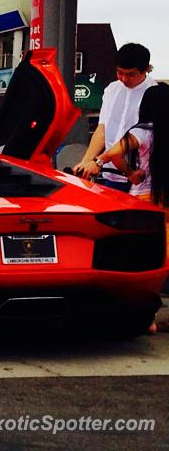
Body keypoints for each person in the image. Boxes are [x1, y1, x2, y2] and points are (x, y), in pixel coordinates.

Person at [86, 83, 169, 335]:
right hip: (166, 201)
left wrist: (126, 172)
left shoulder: (143, 132)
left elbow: (114, 152)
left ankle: (149, 318)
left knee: (148, 263)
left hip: (144, 203)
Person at [73, 43, 155, 190]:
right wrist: (86, 161)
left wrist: (98, 161)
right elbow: (102, 130)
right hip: (109, 172)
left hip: (140, 177)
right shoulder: (112, 89)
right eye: (119, 72)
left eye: (130, 74)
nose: (123, 79)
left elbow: (139, 137)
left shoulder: (153, 94)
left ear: (146, 70)